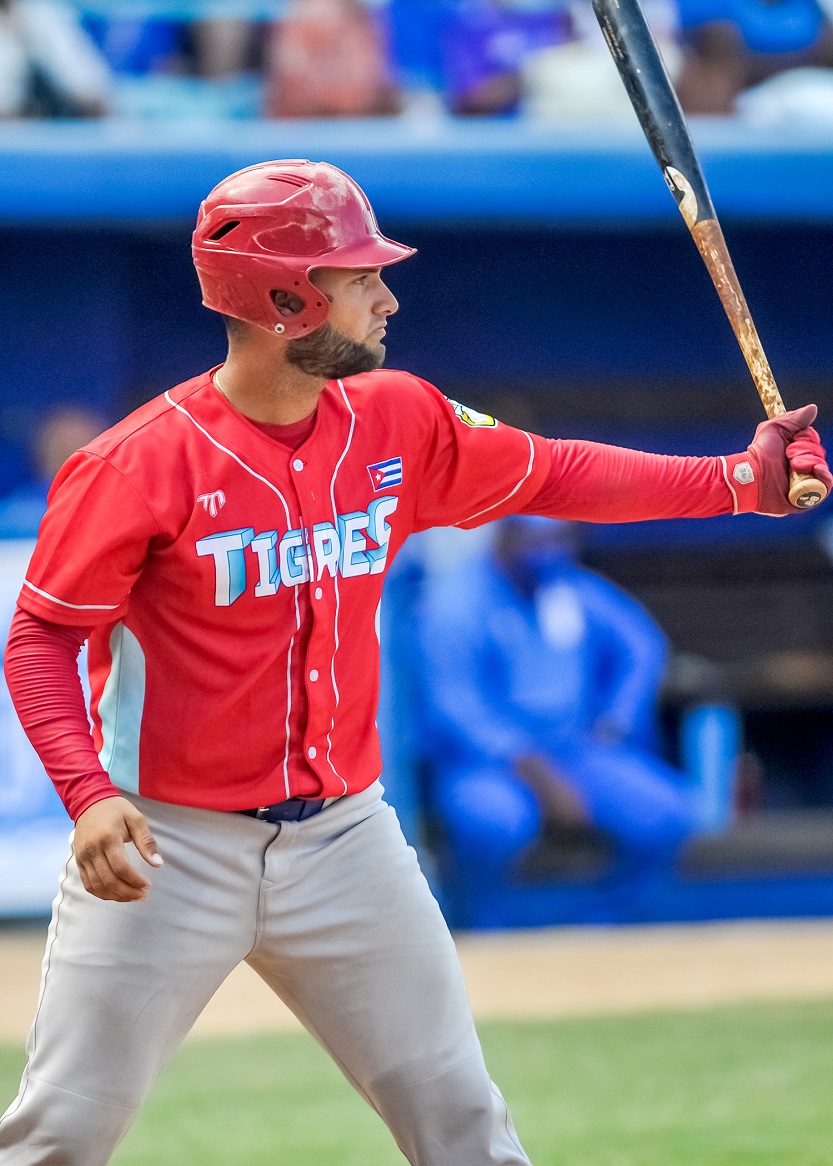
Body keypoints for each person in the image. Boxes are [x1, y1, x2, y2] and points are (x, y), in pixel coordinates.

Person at [0, 159, 829, 1166]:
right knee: (60, 1134)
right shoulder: (137, 464)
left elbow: (557, 468)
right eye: (359, 277)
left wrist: (738, 481)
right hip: (171, 849)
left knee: (463, 1125)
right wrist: (86, 794)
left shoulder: (396, 415)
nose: (387, 295)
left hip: (346, 840)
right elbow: (41, 639)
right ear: (284, 298)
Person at [418, 516, 697, 884]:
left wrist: (617, 719)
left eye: (560, 538)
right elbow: (454, 708)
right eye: (535, 539)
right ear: (505, 535)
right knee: (493, 823)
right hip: (487, 765)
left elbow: (642, 646)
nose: (548, 550)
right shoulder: (454, 603)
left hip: (576, 751)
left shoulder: (568, 589)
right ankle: (488, 931)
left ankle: (602, 929)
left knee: (668, 812)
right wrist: (540, 777)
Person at [0, 406, 105, 539]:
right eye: (60, 445)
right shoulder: (13, 514)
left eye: (77, 444)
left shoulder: (108, 509)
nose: (68, 451)